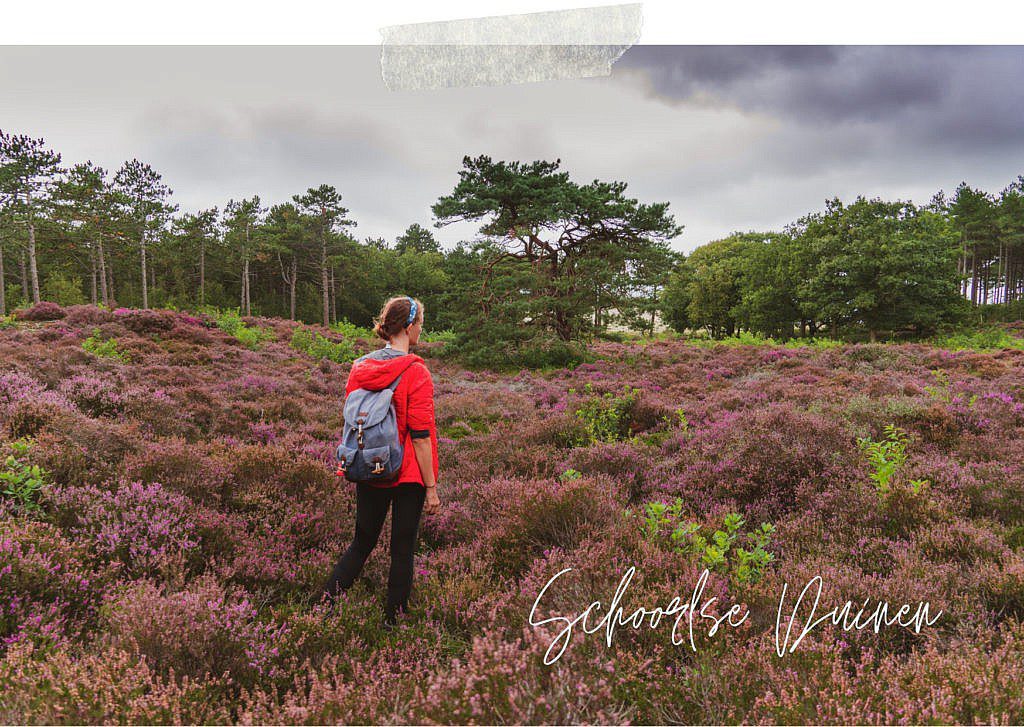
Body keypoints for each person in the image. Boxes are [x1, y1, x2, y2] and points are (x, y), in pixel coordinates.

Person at [321, 295, 441, 628]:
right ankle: (393, 623)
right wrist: (431, 488)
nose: (421, 331)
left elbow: (352, 417)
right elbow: (421, 436)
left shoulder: (361, 367)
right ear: (409, 326)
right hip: (407, 474)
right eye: (420, 324)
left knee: (362, 543)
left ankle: (323, 606)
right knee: (402, 550)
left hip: (368, 465)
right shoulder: (416, 372)